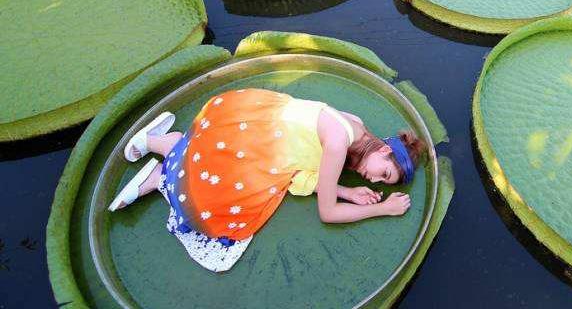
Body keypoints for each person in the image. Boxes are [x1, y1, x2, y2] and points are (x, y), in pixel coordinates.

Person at [107, 88, 425, 272]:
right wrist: (381, 209)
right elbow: (327, 213)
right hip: (256, 141)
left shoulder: (355, 124)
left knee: (214, 167)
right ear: (383, 149)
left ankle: (159, 143)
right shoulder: (339, 145)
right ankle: (159, 167)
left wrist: (347, 191)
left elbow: (307, 158)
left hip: (253, 113)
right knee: (218, 207)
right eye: (383, 172)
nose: (374, 178)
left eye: (382, 181)